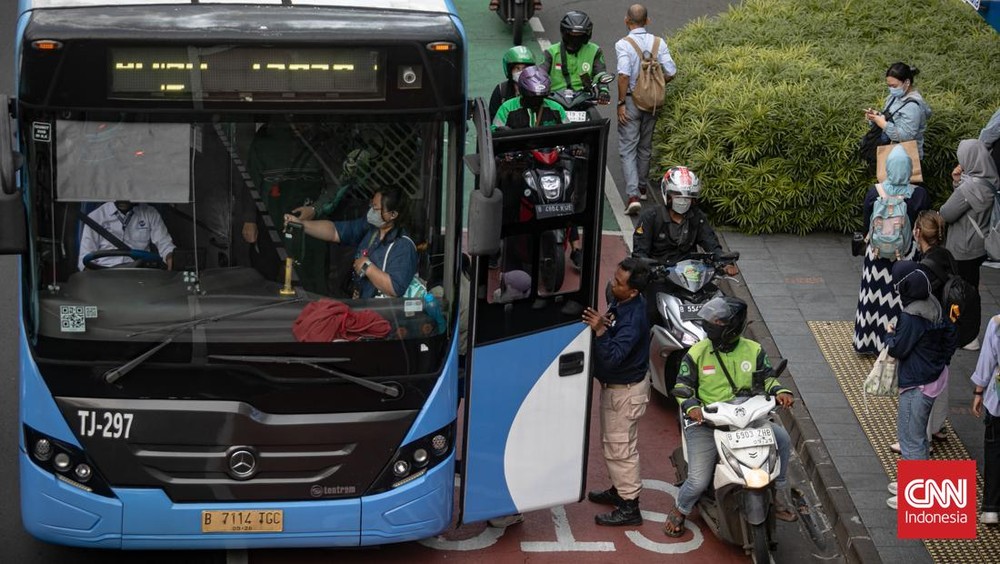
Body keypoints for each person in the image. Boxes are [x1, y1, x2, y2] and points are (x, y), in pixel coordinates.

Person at [665, 296, 797, 537]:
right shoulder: (696, 353)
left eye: (717, 321)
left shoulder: (754, 349)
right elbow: (682, 387)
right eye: (710, 320)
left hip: (748, 419)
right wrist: (691, 406)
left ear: (732, 326)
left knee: (783, 440)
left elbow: (768, 378)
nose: (709, 325)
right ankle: (680, 509)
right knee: (697, 480)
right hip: (707, 423)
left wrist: (781, 391)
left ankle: (778, 493)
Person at [582, 258, 651, 527]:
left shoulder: (634, 320)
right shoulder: (624, 302)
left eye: (618, 283)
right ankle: (618, 489)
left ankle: (629, 506)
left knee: (621, 449)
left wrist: (600, 329)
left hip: (624, 393)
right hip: (621, 389)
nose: (612, 284)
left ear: (633, 291)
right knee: (614, 444)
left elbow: (612, 358)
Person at [884, 261, 957, 509]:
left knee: (910, 437)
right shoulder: (934, 303)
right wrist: (940, 361)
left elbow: (898, 349)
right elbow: (950, 336)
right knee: (920, 437)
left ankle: (914, 496)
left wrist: (890, 333)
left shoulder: (911, 315)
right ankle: (914, 483)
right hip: (934, 377)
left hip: (917, 384)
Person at [632, 166, 738, 322]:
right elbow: (639, 252)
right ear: (667, 195)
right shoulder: (650, 217)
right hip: (659, 277)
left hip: (691, 276)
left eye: (688, 197)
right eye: (678, 196)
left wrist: (724, 262)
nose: (683, 201)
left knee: (722, 310)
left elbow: (711, 244)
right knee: (650, 315)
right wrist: (649, 267)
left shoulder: (698, 217)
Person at [853, 145, 929, 354]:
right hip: (905, 255)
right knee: (897, 299)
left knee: (871, 295)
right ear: (909, 168)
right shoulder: (919, 194)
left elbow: (866, 223)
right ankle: (891, 342)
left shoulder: (874, 191)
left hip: (875, 255)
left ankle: (866, 342)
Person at [284, 187, 416, 299]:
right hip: (361, 306)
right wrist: (301, 225)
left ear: (393, 214)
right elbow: (335, 231)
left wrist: (367, 267)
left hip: (383, 315)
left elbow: (396, 288)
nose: (371, 211)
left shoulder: (403, 245)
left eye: (376, 208)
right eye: (372, 205)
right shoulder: (371, 228)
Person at [247, 120, 329, 292]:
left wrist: (316, 208)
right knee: (266, 276)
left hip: (311, 220)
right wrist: (249, 219)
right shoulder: (266, 135)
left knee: (309, 278)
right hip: (271, 216)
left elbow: (337, 183)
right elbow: (250, 182)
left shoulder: (322, 137)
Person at [615, 4, 676, 215]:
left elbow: (623, 75)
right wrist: (655, 83)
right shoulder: (659, 43)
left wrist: (621, 103)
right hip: (654, 103)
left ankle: (632, 196)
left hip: (632, 101)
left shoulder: (623, 44)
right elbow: (671, 71)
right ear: (648, 21)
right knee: (645, 145)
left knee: (627, 147)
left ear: (627, 20)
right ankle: (642, 187)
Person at [940, 139, 999, 350]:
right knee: (972, 289)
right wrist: (958, 181)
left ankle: (965, 336)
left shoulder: (970, 189)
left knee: (960, 292)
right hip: (978, 245)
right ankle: (971, 334)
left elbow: (947, 212)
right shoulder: (989, 181)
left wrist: (958, 187)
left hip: (962, 247)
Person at [78, 200, 175, 270]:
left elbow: (165, 244)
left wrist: (170, 257)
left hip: (140, 273)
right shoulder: (95, 217)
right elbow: (85, 256)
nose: (123, 197)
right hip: (104, 273)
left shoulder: (150, 213)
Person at [863, 62, 931, 159]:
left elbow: (906, 137)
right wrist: (876, 116)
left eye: (894, 86)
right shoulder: (894, 97)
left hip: (904, 157)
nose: (891, 89)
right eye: (889, 85)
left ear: (907, 82)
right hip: (890, 150)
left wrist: (883, 124)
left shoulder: (913, 106)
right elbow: (891, 117)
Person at [539, 11, 610, 103]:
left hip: (583, 100)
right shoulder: (551, 52)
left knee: (597, 117)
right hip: (555, 100)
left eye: (579, 36)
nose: (575, 39)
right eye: (572, 35)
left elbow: (600, 74)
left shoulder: (595, 51)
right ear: (565, 33)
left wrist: (604, 91)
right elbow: (540, 75)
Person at [970, 314, 1000, 525]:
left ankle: (991, 508)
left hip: (997, 399)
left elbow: (987, 360)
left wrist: (978, 392)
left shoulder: (997, 323)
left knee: (994, 451)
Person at [492, 66, 567, 130]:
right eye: (531, 97)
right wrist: (501, 131)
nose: (535, 101)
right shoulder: (507, 108)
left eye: (540, 97)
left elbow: (568, 133)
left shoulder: (556, 108)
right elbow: (494, 132)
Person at [489, 46, 536, 120]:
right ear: (510, 70)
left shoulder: (537, 90)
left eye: (525, 68)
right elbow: (492, 119)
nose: (521, 72)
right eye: (517, 68)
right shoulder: (501, 91)